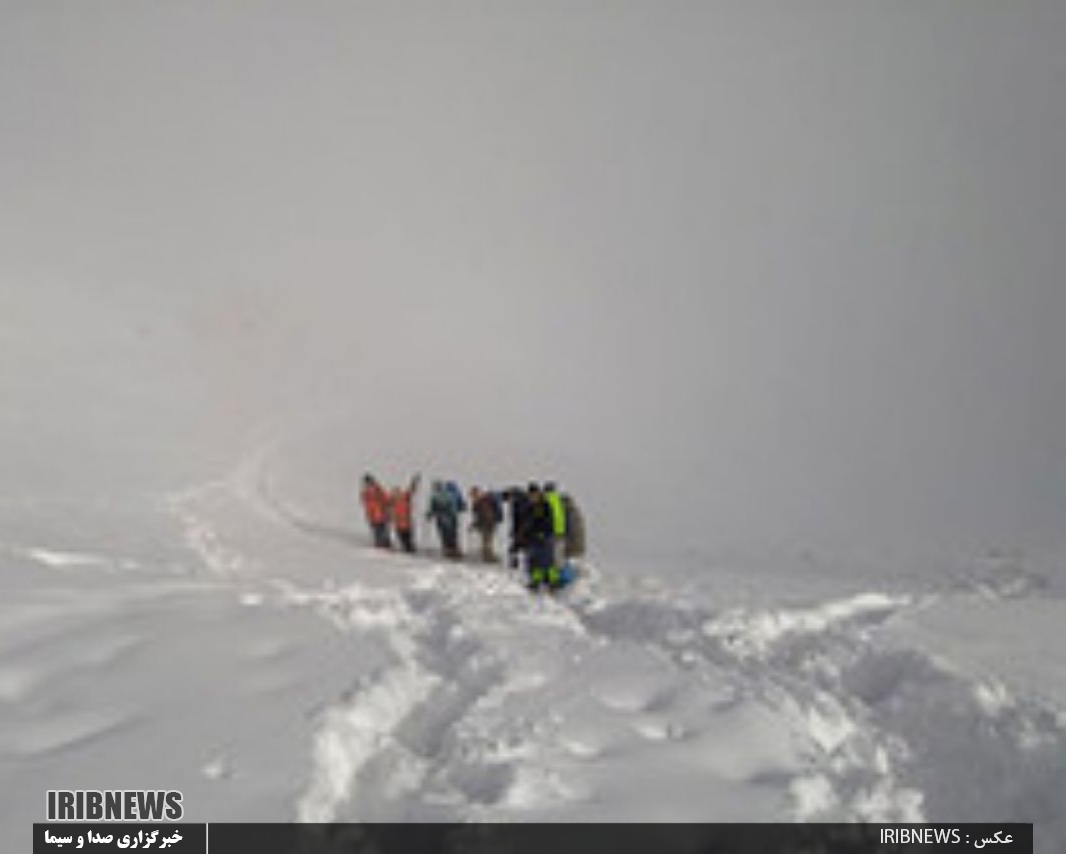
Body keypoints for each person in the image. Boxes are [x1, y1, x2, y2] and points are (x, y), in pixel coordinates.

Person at [524, 483, 555, 590]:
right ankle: (536, 581)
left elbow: (548, 521)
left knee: (547, 560)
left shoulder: (544, 505)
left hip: (545, 536)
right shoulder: (531, 506)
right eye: (530, 495)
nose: (531, 497)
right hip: (534, 537)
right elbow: (529, 522)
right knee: (535, 561)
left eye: (533, 495)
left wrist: (543, 532)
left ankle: (552, 581)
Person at [426, 479, 464, 559]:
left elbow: (433, 508)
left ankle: (449, 549)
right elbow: (453, 506)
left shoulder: (437, 496)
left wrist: (430, 514)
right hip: (450, 517)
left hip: (443, 518)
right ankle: (453, 549)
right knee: (451, 533)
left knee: (445, 534)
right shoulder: (447, 494)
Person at [469, 487, 502, 563]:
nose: (472, 498)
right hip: (488, 523)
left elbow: (484, 516)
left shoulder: (482, 503)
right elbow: (479, 516)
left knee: (487, 541)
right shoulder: (480, 502)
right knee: (487, 541)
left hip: (488, 524)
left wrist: (476, 524)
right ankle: (488, 556)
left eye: (473, 495)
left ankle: (489, 557)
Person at [390, 473, 421, 553]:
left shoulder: (405, 497)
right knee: (403, 539)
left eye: (396, 493)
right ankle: (407, 550)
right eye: (394, 493)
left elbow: (411, 490)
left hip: (406, 523)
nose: (396, 495)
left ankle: (410, 549)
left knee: (408, 539)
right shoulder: (392, 502)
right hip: (399, 524)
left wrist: (414, 482)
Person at [502, 486, 532, 570]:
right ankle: (520, 563)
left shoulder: (519, 501)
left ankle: (518, 563)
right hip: (523, 528)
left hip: (523, 528)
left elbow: (519, 517)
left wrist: (518, 530)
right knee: (519, 547)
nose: (508, 502)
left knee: (518, 547)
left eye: (507, 500)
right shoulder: (520, 499)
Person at [360, 474, 391, 549]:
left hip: (381, 515)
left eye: (369, 482)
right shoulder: (365, 493)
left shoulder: (378, 490)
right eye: (366, 483)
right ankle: (379, 544)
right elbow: (366, 504)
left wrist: (387, 508)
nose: (368, 485)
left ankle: (386, 544)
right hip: (372, 516)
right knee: (376, 531)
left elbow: (386, 499)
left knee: (383, 530)